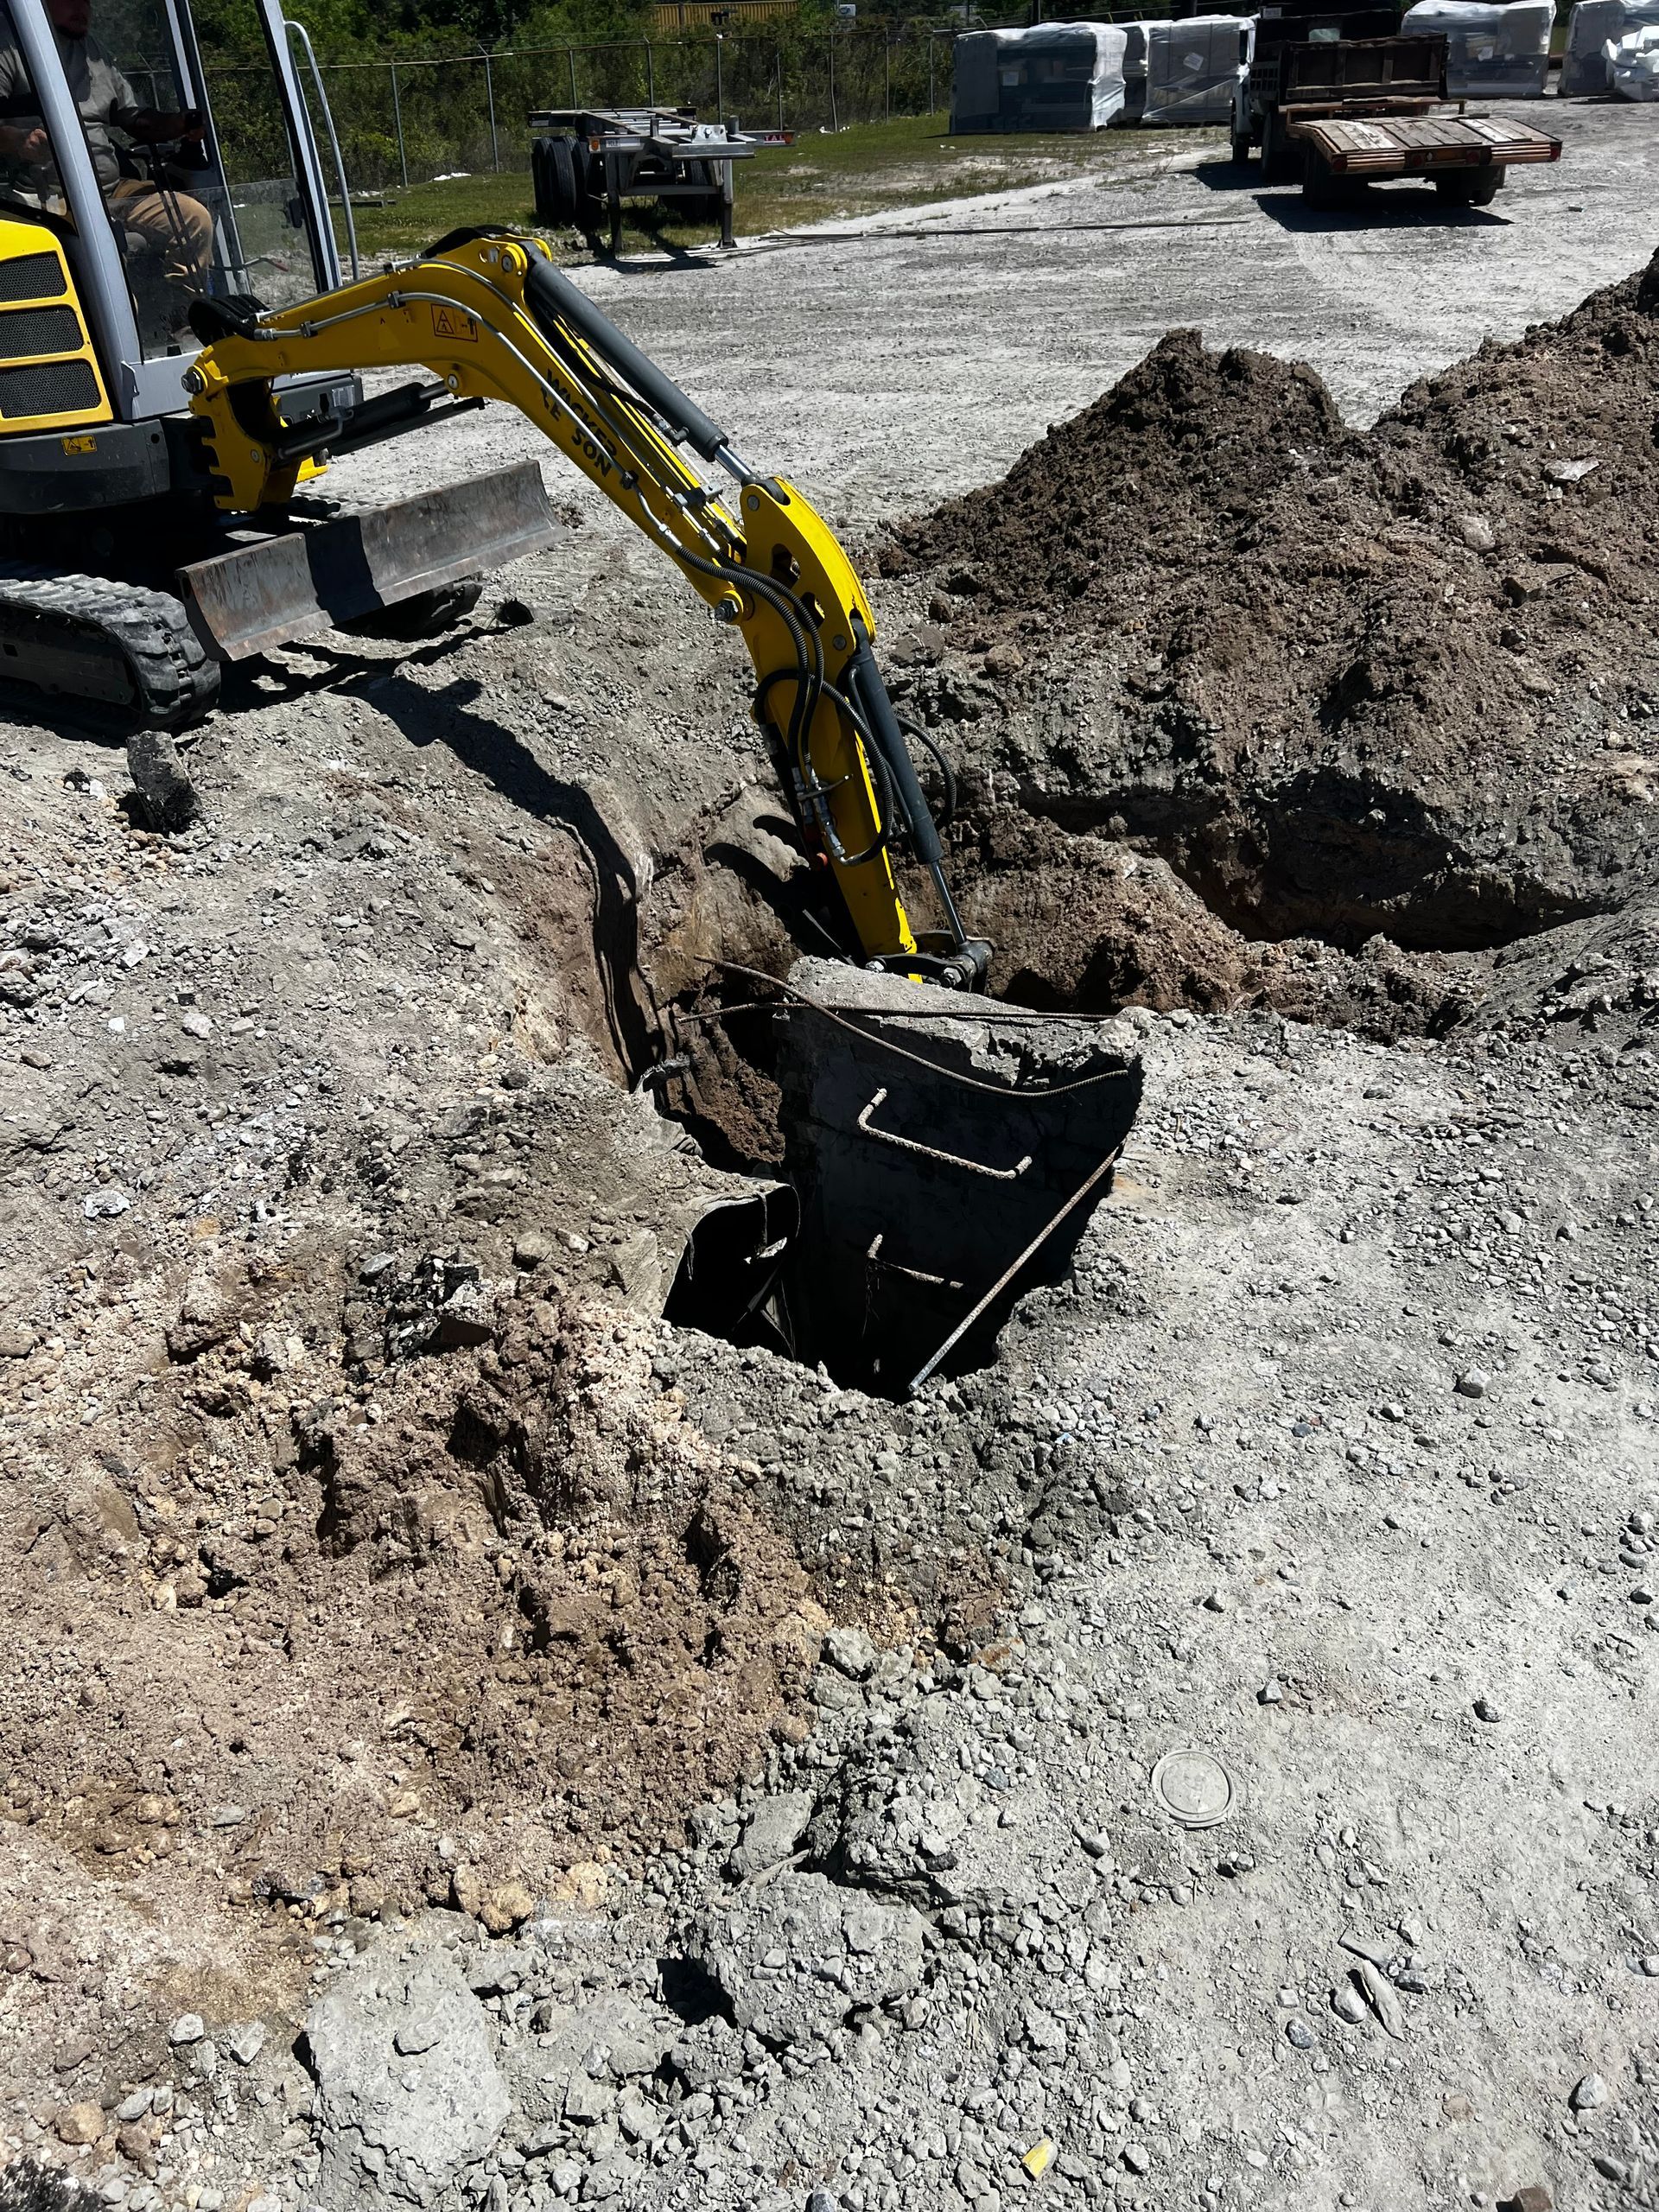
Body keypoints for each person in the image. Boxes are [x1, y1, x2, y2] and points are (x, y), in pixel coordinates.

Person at [0, 0, 212, 321]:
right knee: (114, 283)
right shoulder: (10, 45)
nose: (81, 8)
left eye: (86, 1)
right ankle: (126, 344)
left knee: (194, 219)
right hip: (50, 201)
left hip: (113, 191)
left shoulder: (93, 51)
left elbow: (134, 117)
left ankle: (182, 323)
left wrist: (179, 124)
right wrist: (19, 140)